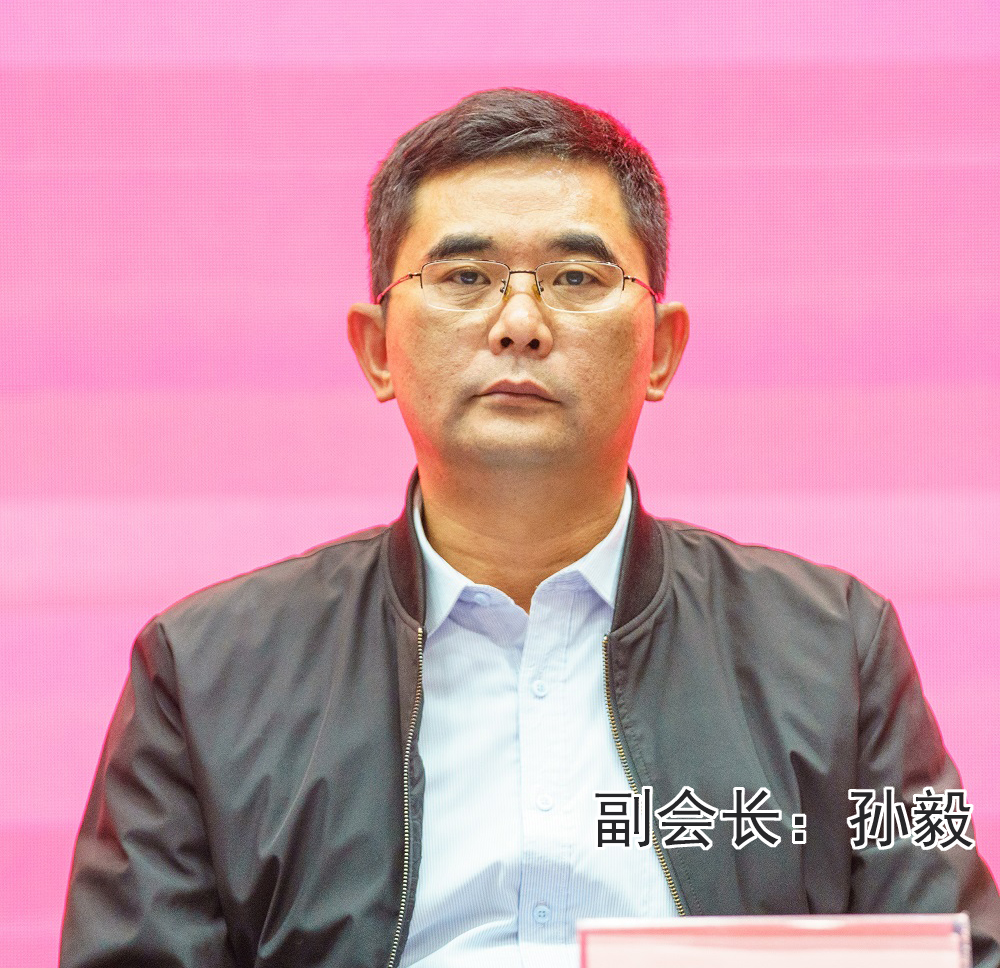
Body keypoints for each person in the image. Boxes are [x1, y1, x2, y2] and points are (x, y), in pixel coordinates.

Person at [61, 88, 1000, 968]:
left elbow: (955, 948)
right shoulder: (205, 672)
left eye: (577, 276)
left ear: (662, 349)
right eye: (465, 275)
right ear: (377, 348)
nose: (520, 322)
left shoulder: (835, 649)